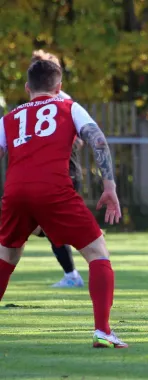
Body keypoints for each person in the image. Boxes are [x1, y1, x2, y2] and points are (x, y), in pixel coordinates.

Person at [0, 60, 127, 347]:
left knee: (6, 258)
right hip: (53, 189)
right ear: (59, 88)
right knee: (97, 253)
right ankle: (103, 331)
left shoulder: (9, 118)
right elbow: (98, 141)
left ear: (26, 88)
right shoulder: (68, 106)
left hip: (16, 191)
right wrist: (109, 187)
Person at [30, 49, 85, 288]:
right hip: (44, 176)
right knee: (42, 226)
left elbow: (82, 138)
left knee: (40, 224)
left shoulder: (64, 101)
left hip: (65, 173)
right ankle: (72, 269)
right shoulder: (35, 102)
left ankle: (73, 269)